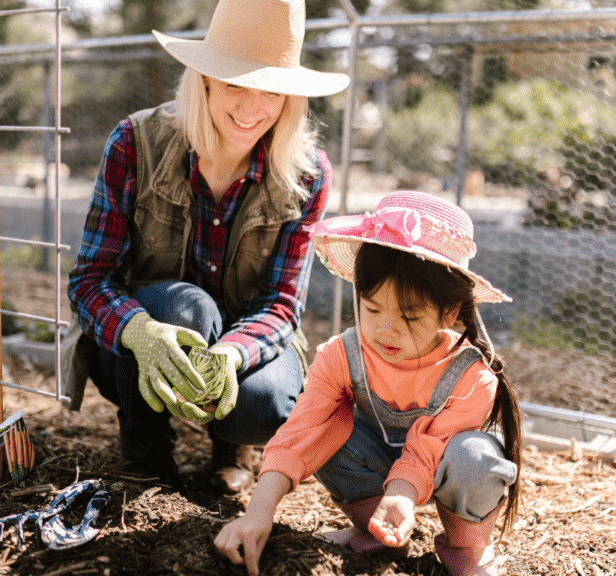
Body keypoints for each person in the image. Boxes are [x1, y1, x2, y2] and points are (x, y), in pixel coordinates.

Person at [65, 0, 349, 494]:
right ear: (204, 81)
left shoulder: (308, 173)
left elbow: (282, 304)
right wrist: (140, 333)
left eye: (273, 90)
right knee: (184, 309)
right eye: (236, 82)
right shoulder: (134, 143)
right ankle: (145, 448)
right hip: (134, 349)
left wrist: (234, 356)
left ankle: (231, 445)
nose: (252, 107)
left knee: (266, 403)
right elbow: (89, 280)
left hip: (243, 337)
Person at [214, 191, 524, 576]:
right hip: (373, 466)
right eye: (372, 308)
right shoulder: (341, 356)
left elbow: (428, 448)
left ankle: (464, 547)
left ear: (448, 311)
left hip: (439, 468)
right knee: (328, 429)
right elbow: (302, 430)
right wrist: (258, 513)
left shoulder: (473, 377)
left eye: (408, 316)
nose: (384, 330)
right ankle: (376, 531)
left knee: (475, 456)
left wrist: (403, 493)